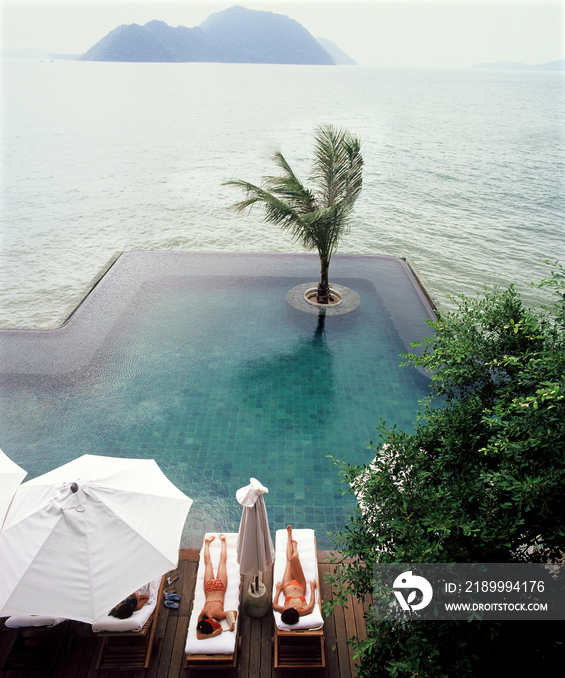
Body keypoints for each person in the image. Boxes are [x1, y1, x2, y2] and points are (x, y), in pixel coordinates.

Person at [272, 525, 317, 624]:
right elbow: (312, 603)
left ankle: (289, 536)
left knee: (289, 560)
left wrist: (278, 591)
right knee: (295, 557)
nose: (292, 606)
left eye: (288, 607)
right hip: (301, 584)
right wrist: (312, 589)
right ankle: (295, 549)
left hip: (287, 585)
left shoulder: (284, 610)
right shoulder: (305, 610)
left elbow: (274, 606)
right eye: (293, 608)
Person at [196, 534, 236, 639]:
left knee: (222, 563)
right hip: (209, 588)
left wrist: (232, 623)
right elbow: (198, 634)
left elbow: (234, 612)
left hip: (220, 587)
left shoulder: (219, 615)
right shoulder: (202, 614)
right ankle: (207, 543)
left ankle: (223, 541)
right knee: (208, 563)